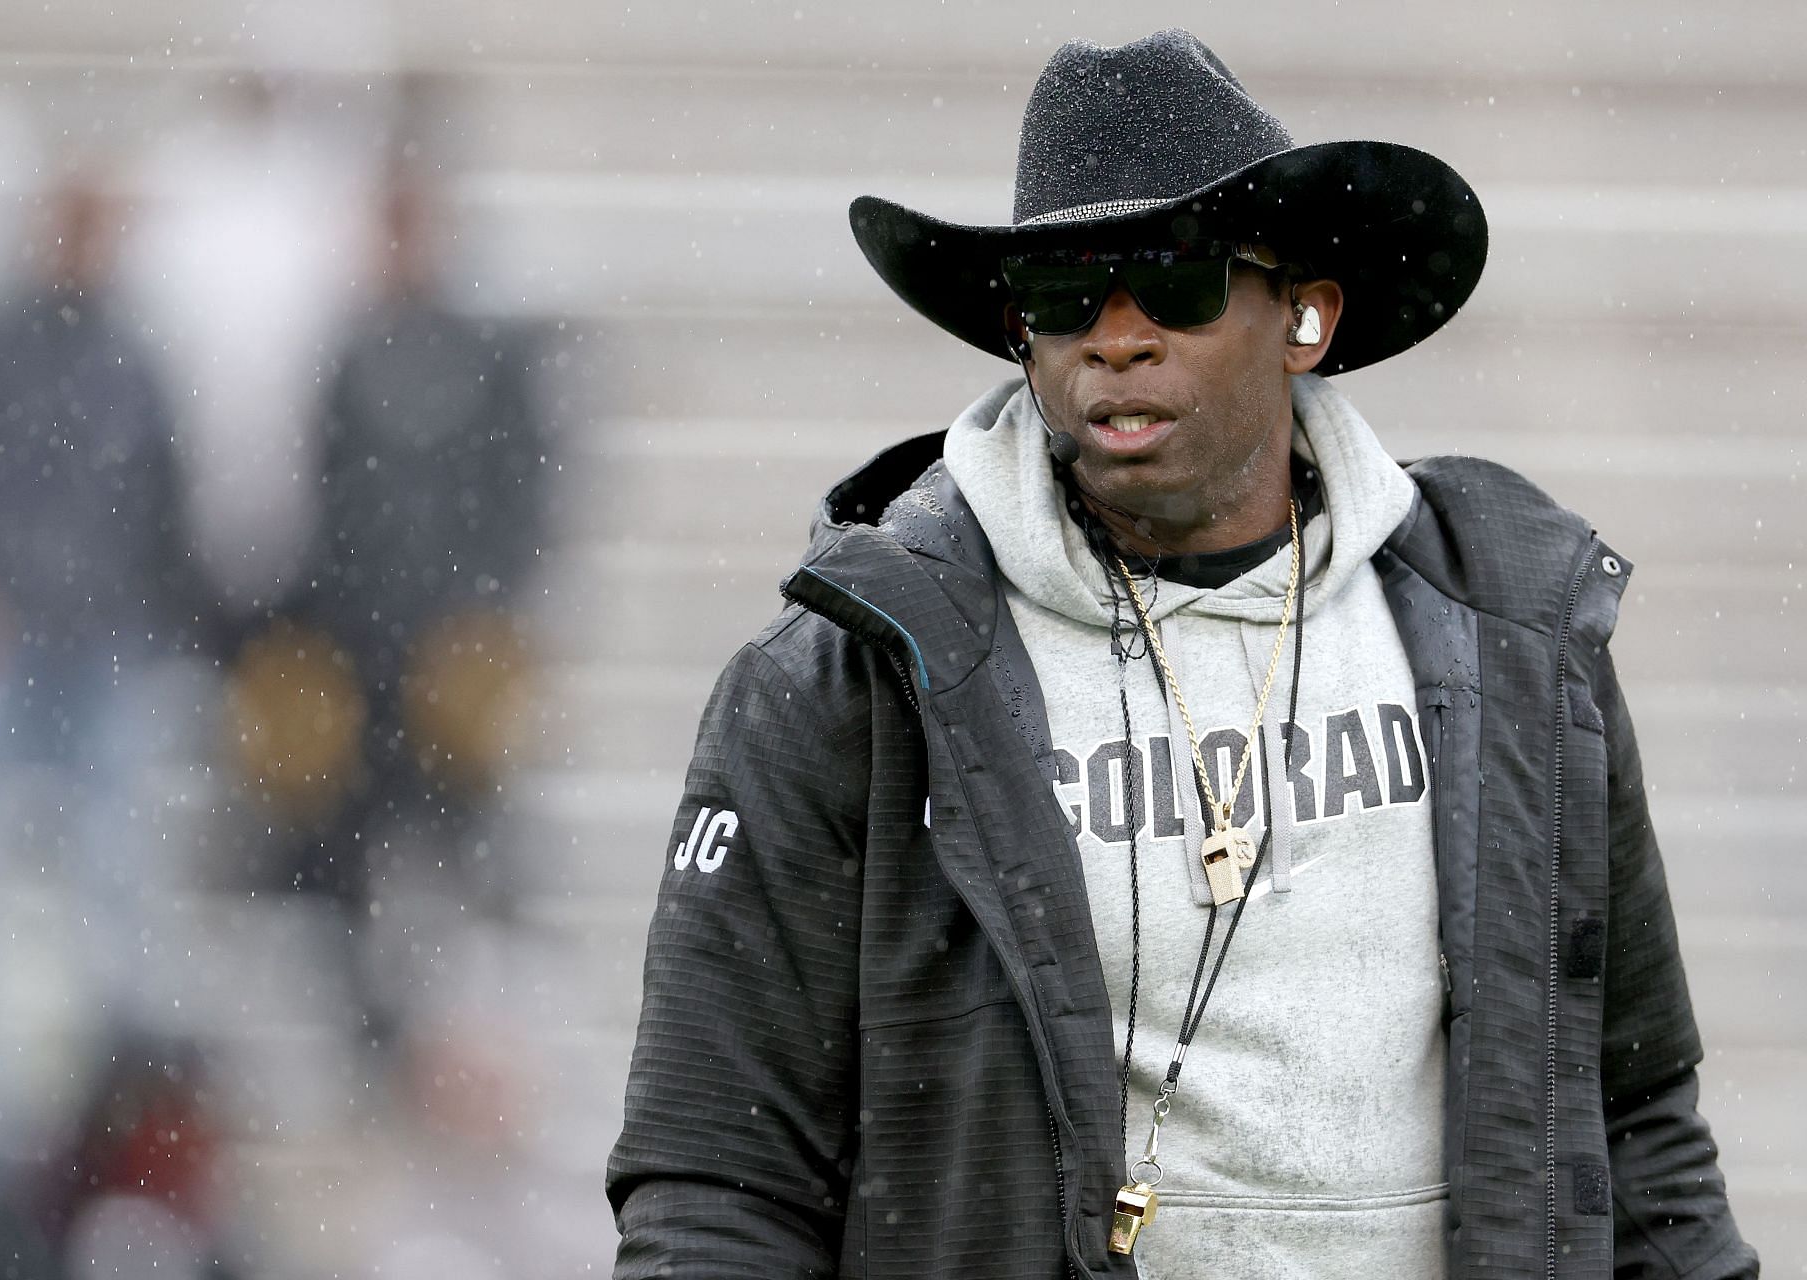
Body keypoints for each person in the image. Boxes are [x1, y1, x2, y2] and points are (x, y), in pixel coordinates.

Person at [606, 30, 1757, 1280]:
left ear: (1303, 316)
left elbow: (1638, 1133)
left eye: (1176, 281)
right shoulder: (847, 680)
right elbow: (722, 1178)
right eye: (1058, 295)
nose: (1115, 338)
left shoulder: (1518, 641)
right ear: (1021, 342)